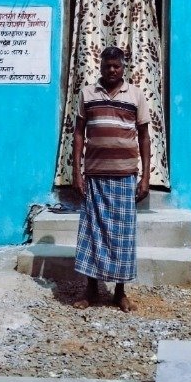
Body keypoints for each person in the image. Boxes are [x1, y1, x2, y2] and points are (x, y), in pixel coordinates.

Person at [72, 45, 151, 312]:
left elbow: (144, 137)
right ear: (101, 67)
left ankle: (120, 292)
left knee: (122, 237)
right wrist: (77, 173)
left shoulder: (136, 95)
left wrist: (145, 177)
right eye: (107, 66)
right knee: (92, 234)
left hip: (125, 176)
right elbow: (79, 134)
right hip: (95, 176)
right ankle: (91, 289)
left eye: (117, 66)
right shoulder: (87, 94)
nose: (112, 70)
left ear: (123, 68)